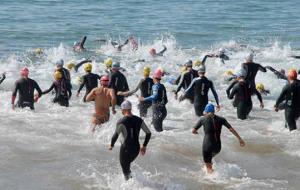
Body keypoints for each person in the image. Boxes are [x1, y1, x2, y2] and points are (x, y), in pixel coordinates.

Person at [192, 103, 245, 174]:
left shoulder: (202, 119)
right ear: (214, 111)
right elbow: (231, 129)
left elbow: (193, 131)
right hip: (217, 147)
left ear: (206, 111)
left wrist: (197, 133)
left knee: (208, 165)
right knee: (209, 162)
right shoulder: (221, 119)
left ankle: (212, 179)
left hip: (207, 146)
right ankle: (212, 172)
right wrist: (240, 139)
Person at [109, 100, 151, 180]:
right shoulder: (139, 120)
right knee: (127, 169)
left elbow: (115, 135)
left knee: (125, 171)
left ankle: (130, 185)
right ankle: (134, 183)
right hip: (136, 149)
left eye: (121, 109)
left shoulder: (121, 121)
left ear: (124, 110)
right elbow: (148, 133)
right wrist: (144, 146)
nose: (121, 111)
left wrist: (111, 145)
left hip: (126, 149)